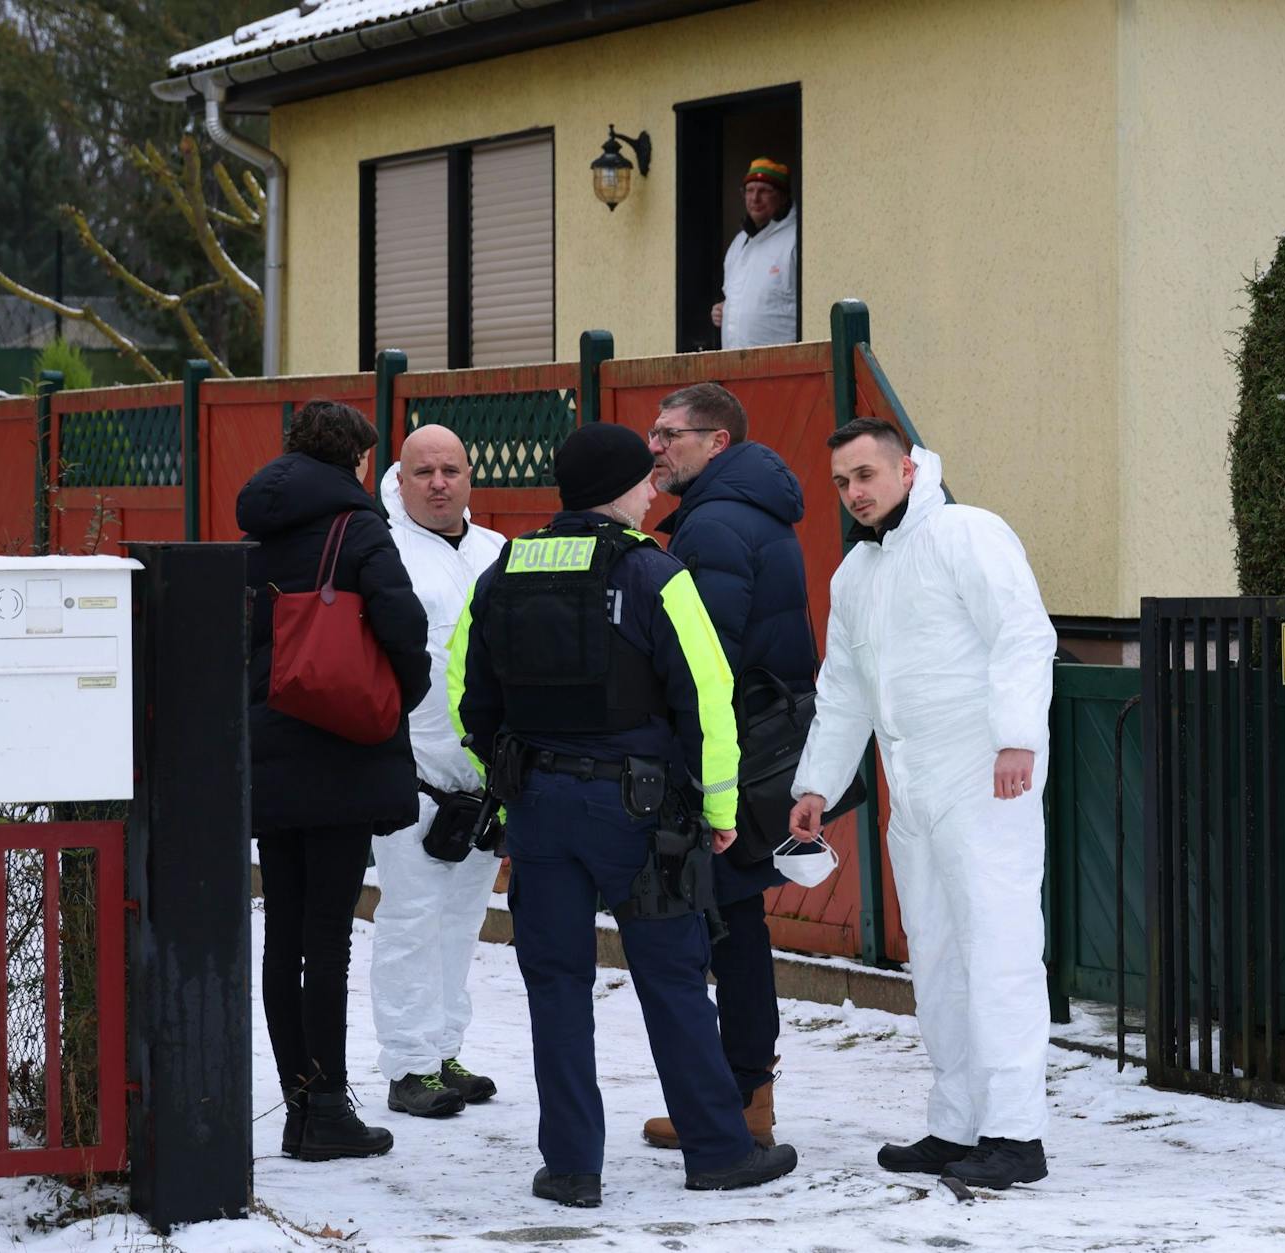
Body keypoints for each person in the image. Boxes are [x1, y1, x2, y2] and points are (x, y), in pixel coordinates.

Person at [448, 422, 799, 1208]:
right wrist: (719, 807)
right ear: (620, 487)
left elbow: (468, 699)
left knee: (555, 985)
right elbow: (705, 698)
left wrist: (508, 782)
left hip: (538, 810)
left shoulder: (503, 568)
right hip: (638, 814)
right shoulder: (653, 572)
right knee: (673, 978)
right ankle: (718, 1149)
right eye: (646, 479)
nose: (654, 490)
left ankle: (572, 1167)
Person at [787, 417, 1057, 1191]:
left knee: (999, 951)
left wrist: (1015, 739)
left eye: (866, 475)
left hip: (985, 781)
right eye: (842, 482)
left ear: (908, 468)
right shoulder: (857, 574)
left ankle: (1014, 1130)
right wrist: (817, 784)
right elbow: (842, 689)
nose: (855, 493)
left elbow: (1021, 635)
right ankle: (957, 1123)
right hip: (915, 793)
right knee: (937, 954)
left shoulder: (967, 534)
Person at [238, 399, 432, 1162]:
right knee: (330, 935)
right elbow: (405, 630)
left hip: (272, 752)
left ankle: (298, 1107)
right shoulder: (361, 528)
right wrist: (394, 699)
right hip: (344, 752)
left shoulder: (257, 530)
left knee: (282, 935)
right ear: (357, 460)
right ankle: (328, 1108)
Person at [638, 382, 813, 1153]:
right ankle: (743, 1091)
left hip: (731, 752)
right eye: (655, 431)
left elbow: (703, 661)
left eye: (671, 433)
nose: (656, 445)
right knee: (736, 923)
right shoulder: (750, 510)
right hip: (763, 744)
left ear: (718, 442)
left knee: (729, 926)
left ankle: (741, 1096)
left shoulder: (712, 525)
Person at [371, 424, 508, 1118]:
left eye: (451, 468)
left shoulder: (497, 553)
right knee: (409, 919)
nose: (438, 482)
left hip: (483, 782)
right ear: (399, 480)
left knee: (461, 921)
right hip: (413, 772)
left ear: (469, 477)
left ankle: (444, 1049)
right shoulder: (386, 554)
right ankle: (407, 1063)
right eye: (422, 471)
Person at [712, 157, 798, 350]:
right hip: (736, 366)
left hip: (783, 368)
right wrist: (727, 310)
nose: (755, 198)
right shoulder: (740, 242)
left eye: (764, 191)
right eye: (749, 190)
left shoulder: (796, 239)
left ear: (783, 196)